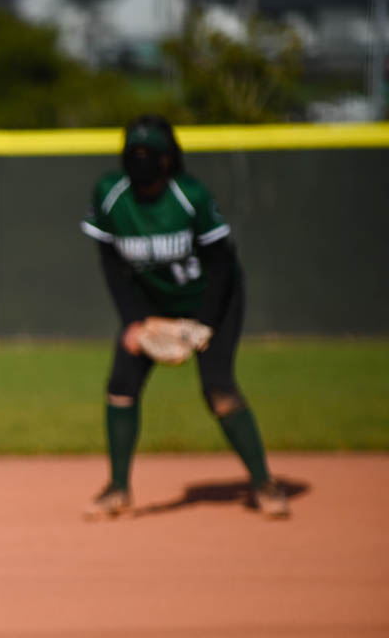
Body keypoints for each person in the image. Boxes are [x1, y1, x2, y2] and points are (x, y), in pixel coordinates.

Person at [80, 115, 290, 519]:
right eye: (134, 153)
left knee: (218, 388)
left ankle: (264, 483)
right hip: (152, 306)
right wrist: (134, 322)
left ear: (168, 158)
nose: (141, 161)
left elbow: (222, 264)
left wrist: (204, 324)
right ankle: (117, 488)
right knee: (121, 385)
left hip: (212, 302)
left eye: (151, 154)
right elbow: (110, 262)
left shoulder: (188, 195)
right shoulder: (110, 195)